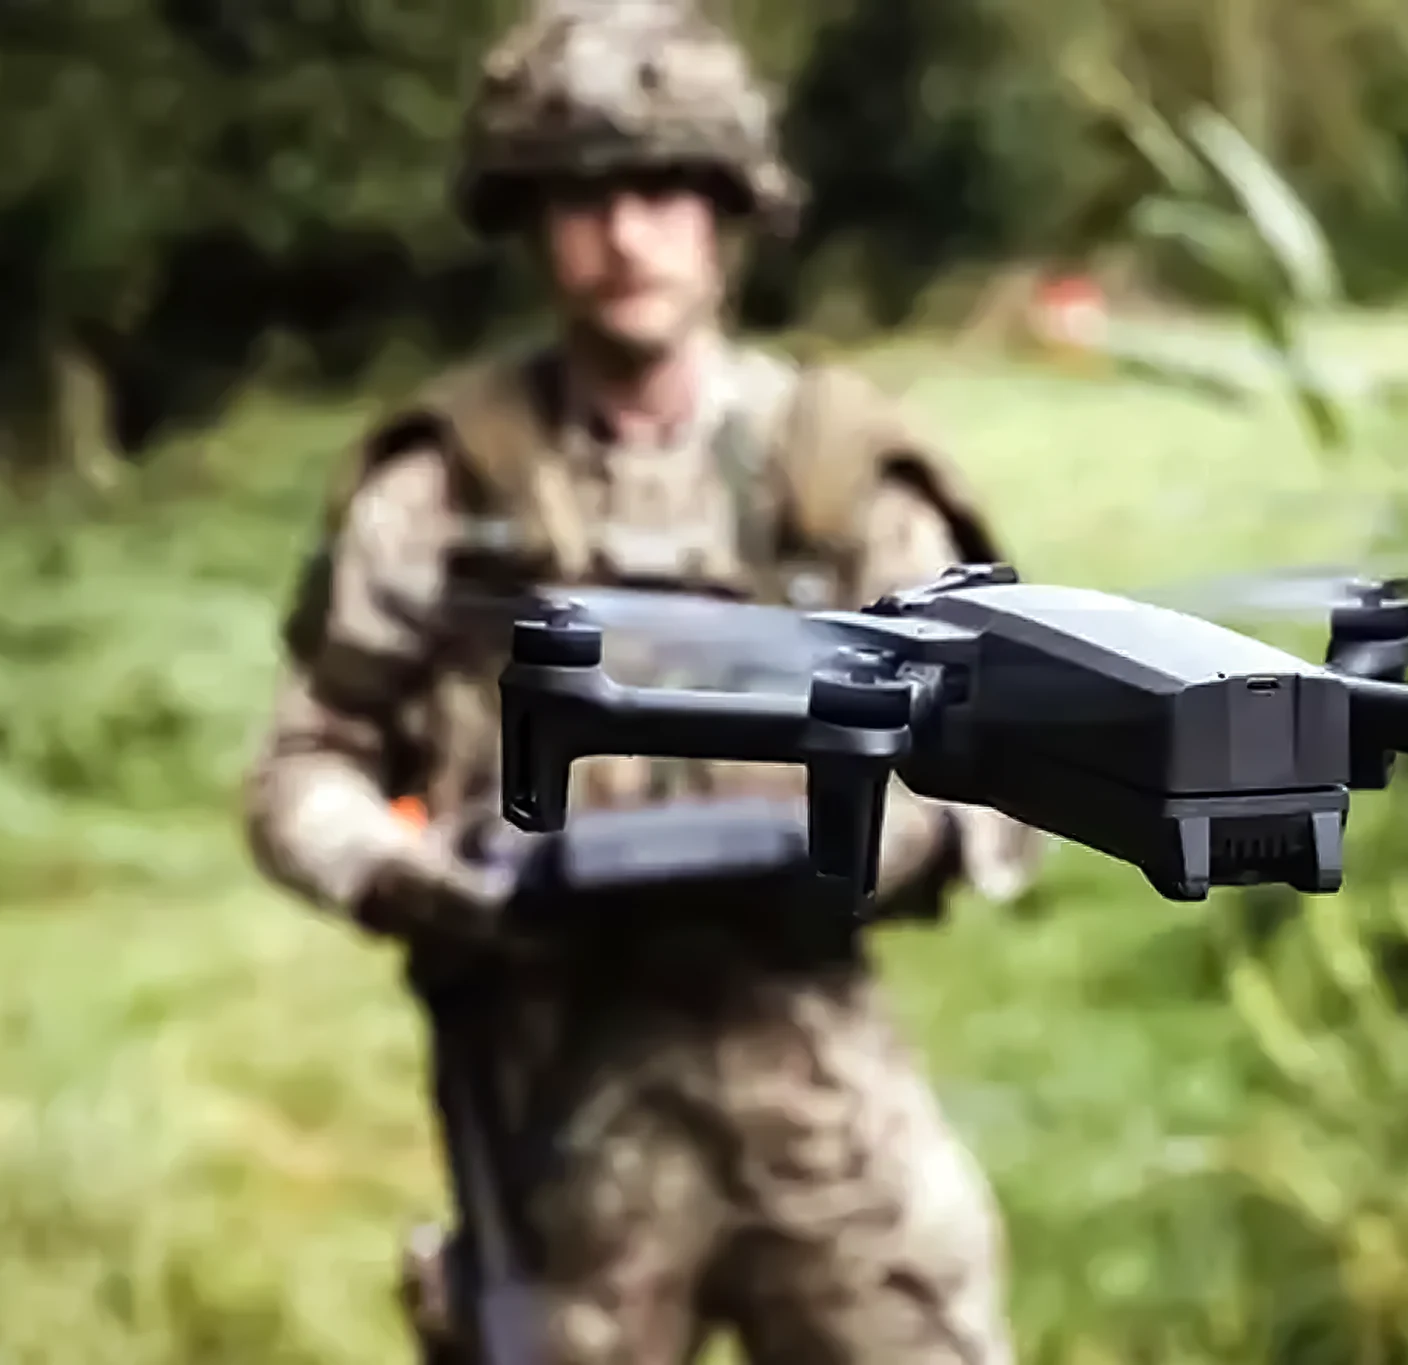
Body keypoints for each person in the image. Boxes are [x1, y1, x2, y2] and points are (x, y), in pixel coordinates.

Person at [239, 1, 1043, 1360]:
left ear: (729, 213)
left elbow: (1011, 749)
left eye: (665, 190)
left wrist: (895, 835)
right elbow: (306, 761)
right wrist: (390, 868)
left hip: (812, 1078)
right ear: (528, 221)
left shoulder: (836, 476)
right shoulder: (442, 494)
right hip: (551, 1098)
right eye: (583, 198)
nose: (626, 236)